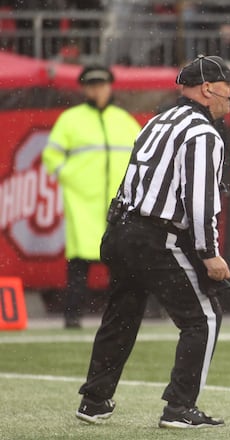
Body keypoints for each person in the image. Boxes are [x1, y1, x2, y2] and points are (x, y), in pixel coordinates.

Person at [74, 55, 230, 428]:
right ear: (207, 88)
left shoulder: (156, 121)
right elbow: (200, 202)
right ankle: (180, 407)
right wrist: (210, 254)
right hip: (155, 234)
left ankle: (95, 399)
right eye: (227, 84)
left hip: (121, 227)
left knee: (122, 314)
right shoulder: (202, 133)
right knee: (204, 317)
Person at [42, 65, 140, 329]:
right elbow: (51, 157)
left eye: (101, 85)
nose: (97, 90)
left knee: (118, 267)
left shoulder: (123, 120)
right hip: (82, 203)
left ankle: (117, 320)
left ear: (110, 86)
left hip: (117, 205)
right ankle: (72, 318)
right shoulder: (71, 119)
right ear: (84, 88)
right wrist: (71, 178)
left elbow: (140, 159)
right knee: (79, 266)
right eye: (91, 85)